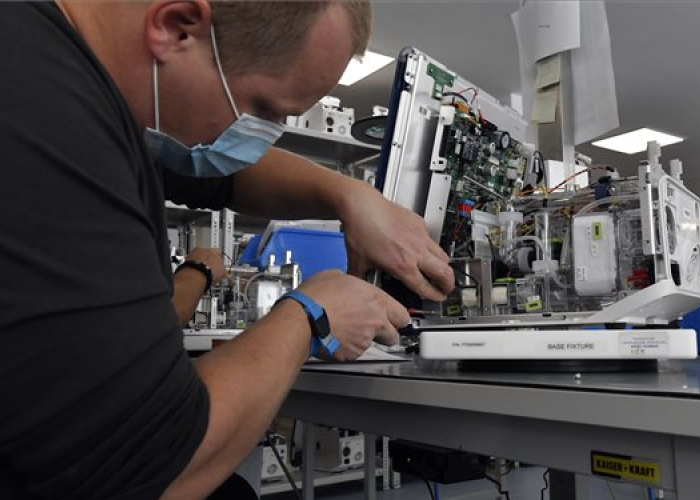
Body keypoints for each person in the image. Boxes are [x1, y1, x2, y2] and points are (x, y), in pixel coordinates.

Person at [0, 1, 454, 500]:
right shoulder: (41, 112)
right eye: (263, 110)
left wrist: (350, 196)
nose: (260, 139)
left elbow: (218, 175)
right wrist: (311, 314)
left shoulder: (87, 76)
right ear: (177, 28)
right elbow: (152, 465)